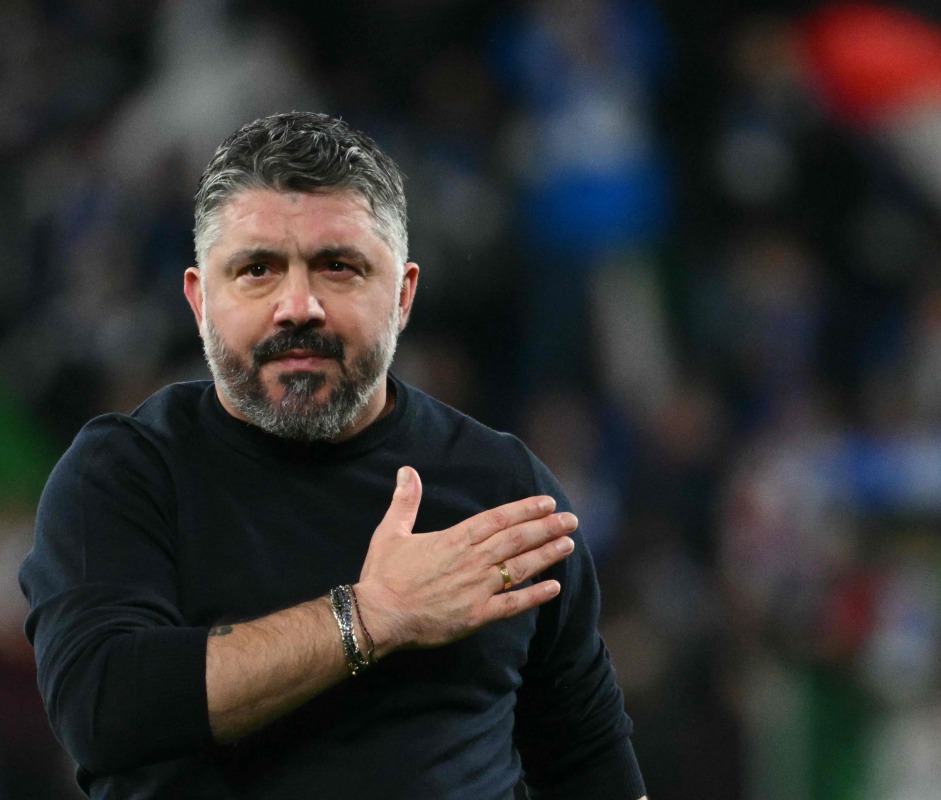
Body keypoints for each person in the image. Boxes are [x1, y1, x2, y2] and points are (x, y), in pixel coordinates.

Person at [19, 111, 647, 800]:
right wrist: (370, 616)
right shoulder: (122, 476)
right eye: (257, 269)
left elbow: (588, 756)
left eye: (338, 267)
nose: (298, 306)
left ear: (403, 296)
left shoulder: (503, 489)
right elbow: (103, 707)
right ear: (199, 301)